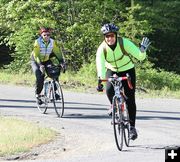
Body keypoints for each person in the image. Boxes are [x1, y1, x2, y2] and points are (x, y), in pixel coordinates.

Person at [96, 23, 150, 140]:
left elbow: (140, 57)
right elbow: (100, 64)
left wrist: (142, 51)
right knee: (109, 90)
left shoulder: (124, 43)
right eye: (107, 36)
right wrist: (100, 79)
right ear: (104, 37)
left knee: (130, 98)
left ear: (116, 35)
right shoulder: (102, 48)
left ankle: (132, 128)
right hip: (112, 70)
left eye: (111, 36)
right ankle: (114, 106)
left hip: (127, 69)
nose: (109, 38)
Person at [31, 27, 66, 105]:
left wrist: (61, 62)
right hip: (36, 61)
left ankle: (55, 91)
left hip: (46, 60)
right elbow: (36, 55)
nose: (46, 36)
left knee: (54, 71)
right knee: (40, 76)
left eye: (48, 35)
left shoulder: (53, 42)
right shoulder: (37, 42)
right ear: (41, 35)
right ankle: (38, 95)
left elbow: (58, 52)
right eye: (44, 35)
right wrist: (40, 65)